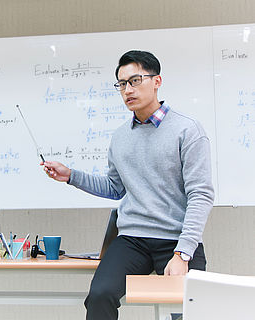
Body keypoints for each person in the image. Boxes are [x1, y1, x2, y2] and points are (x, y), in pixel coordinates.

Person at [41, 50, 214, 320]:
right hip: (133, 239)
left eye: (135, 81)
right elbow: (115, 188)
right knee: (99, 295)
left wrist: (183, 253)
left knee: (190, 310)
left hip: (177, 239)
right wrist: (70, 175)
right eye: (122, 84)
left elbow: (201, 195)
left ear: (156, 81)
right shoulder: (121, 137)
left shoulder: (187, 130)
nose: (127, 90)